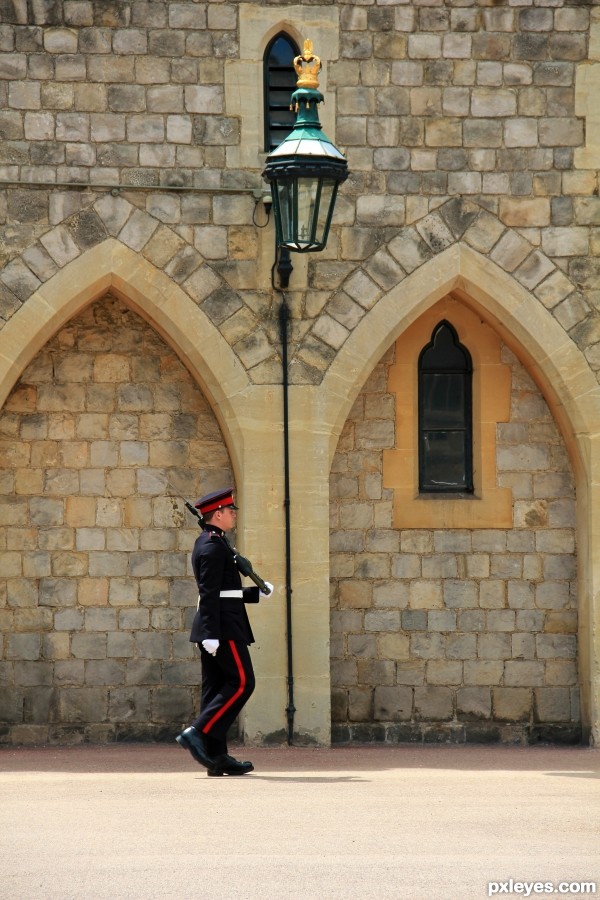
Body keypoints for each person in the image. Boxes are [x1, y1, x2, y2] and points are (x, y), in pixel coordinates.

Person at [176, 488, 272, 776]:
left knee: (216, 689)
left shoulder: (215, 543)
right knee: (242, 682)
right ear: (217, 514)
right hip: (221, 628)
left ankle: (217, 756)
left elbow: (225, 591)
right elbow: (209, 593)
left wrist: (256, 593)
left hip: (220, 624)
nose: (233, 515)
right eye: (230, 511)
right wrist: (210, 633)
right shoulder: (212, 546)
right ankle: (197, 731)